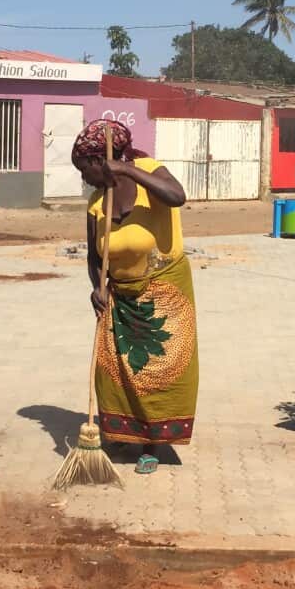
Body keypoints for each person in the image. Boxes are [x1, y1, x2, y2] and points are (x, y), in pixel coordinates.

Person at [72, 119, 197, 476]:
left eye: (86, 169)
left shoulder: (147, 170)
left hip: (162, 290)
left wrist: (127, 169)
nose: (85, 179)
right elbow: (95, 258)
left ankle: (152, 443)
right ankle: (124, 433)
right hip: (119, 295)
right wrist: (97, 287)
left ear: (103, 160)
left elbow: (177, 197)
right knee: (113, 370)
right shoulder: (97, 203)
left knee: (154, 371)